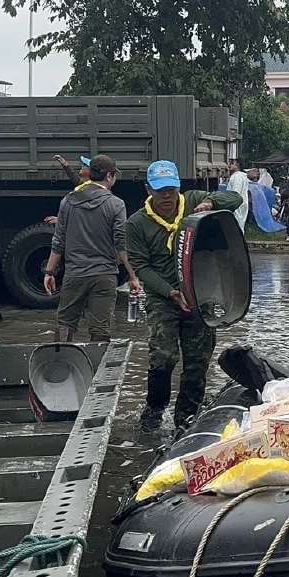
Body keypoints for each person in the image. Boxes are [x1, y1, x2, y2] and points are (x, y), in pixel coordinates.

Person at [126, 160, 242, 431]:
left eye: (170, 189)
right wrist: (169, 292)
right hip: (162, 296)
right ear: (148, 190)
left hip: (199, 295)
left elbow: (235, 198)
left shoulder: (193, 201)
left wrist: (211, 203)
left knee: (197, 361)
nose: (166, 196)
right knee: (162, 357)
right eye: (159, 190)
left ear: (179, 187)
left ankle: (186, 418)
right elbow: (141, 266)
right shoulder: (137, 224)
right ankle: (155, 409)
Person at [42, 155, 141, 342]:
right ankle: (97, 369)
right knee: (101, 327)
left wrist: (49, 271)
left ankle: (60, 364)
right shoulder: (116, 204)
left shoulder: (68, 201)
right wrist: (133, 276)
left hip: (74, 273)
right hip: (104, 275)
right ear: (110, 176)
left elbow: (59, 240)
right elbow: (121, 243)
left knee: (65, 323)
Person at [226, 158, 251, 231]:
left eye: (232, 164)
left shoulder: (237, 176)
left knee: (235, 225)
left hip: (236, 204)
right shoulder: (243, 176)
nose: (229, 165)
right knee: (240, 224)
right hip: (241, 203)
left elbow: (235, 192)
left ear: (237, 165)